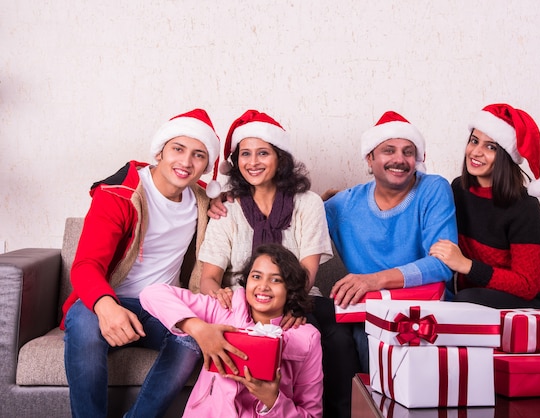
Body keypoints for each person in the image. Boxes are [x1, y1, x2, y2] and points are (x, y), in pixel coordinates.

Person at [61, 108, 222, 418]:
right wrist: (107, 306)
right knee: (83, 320)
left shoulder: (203, 202)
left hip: (161, 307)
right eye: (178, 149)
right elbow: (85, 265)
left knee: (191, 338)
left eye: (198, 155)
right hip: (110, 298)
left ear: (206, 166)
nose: (186, 162)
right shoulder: (119, 194)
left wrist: (223, 200)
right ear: (159, 152)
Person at [199, 109, 359, 418]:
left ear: (280, 158)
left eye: (263, 153)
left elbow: (308, 270)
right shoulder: (228, 207)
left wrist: (293, 306)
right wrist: (218, 294)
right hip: (246, 304)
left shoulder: (308, 202)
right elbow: (209, 277)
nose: (253, 162)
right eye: (245, 154)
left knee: (339, 338)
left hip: (300, 297)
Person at [324, 110, 458, 372]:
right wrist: (223, 202)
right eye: (389, 150)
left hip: (427, 312)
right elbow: (293, 222)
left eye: (408, 151)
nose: (400, 159)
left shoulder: (433, 190)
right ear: (370, 158)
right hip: (367, 314)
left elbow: (442, 264)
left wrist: (374, 279)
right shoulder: (343, 205)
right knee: (356, 337)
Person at [139, 243, 323, 417]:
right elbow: (152, 293)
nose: (263, 286)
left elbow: (312, 413)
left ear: (290, 289)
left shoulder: (307, 339)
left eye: (276, 280)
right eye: (256, 276)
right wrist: (198, 328)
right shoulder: (223, 309)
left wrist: (273, 401)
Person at [429, 103, 540, 311]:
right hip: (473, 301)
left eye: (491, 147)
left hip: (528, 306)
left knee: (462, 302)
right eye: (474, 141)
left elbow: (527, 286)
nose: (476, 152)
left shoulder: (526, 208)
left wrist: (466, 265)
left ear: (506, 155)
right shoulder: (458, 189)